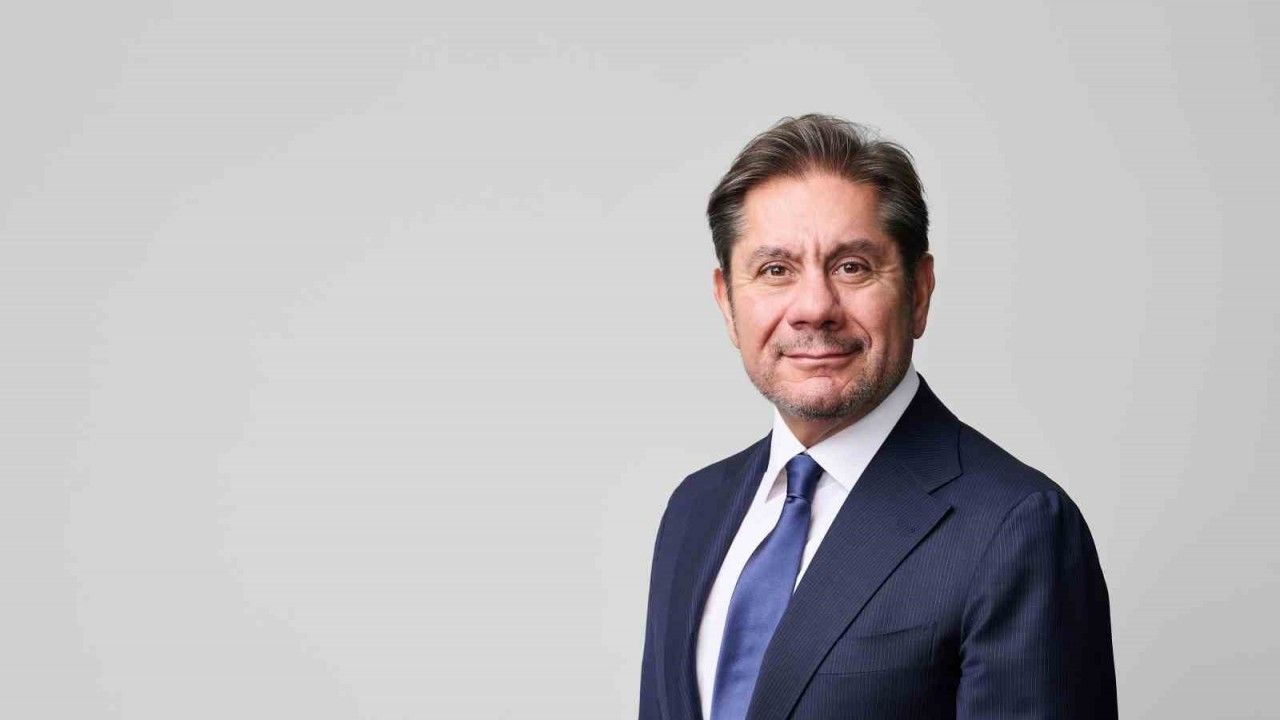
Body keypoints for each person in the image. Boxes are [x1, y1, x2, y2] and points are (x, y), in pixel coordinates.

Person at [636, 114, 1117, 719]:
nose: (814, 308)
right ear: (727, 304)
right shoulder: (693, 511)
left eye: (852, 267)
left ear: (919, 292)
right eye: (775, 270)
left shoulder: (1016, 529)